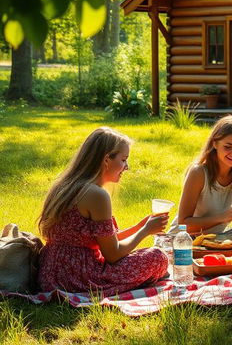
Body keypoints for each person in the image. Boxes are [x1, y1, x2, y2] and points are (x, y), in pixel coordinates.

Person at [38, 127, 168, 296]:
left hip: (51, 273)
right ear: (107, 159)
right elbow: (113, 254)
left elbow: (102, 240)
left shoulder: (66, 186)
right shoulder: (96, 194)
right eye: (123, 160)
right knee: (157, 257)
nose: (126, 167)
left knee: (153, 257)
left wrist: (138, 226)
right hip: (79, 277)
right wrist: (146, 231)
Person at [171, 115, 232, 234]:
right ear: (215, 143)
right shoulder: (198, 173)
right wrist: (221, 218)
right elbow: (183, 225)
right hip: (181, 243)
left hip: (214, 241)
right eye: (227, 146)